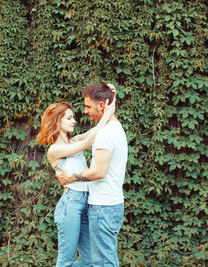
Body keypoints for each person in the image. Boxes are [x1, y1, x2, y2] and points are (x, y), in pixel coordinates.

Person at [36, 85, 116, 267]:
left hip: (85, 204)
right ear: (57, 121)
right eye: (69, 118)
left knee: (88, 259)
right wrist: (108, 112)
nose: (74, 121)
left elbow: (94, 133)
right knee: (65, 260)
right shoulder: (54, 150)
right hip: (70, 205)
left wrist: (110, 102)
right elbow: (89, 141)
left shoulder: (73, 141)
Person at [56, 82, 128, 267]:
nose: (85, 111)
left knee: (103, 262)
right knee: (101, 260)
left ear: (102, 105)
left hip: (103, 207)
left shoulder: (106, 134)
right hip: (107, 205)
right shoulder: (111, 129)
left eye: (88, 106)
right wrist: (112, 101)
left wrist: (71, 177)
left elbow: (99, 171)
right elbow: (86, 138)